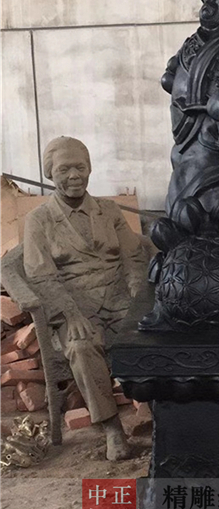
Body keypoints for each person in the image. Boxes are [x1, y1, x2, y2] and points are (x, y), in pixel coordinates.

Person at [23, 137, 148, 460]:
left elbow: (134, 257)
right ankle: (112, 428)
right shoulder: (39, 220)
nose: (74, 175)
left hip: (120, 299)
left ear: (90, 169)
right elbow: (40, 275)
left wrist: (137, 297)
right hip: (76, 306)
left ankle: (158, 415)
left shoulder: (108, 210)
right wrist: (70, 314)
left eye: (80, 167)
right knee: (81, 346)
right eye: (64, 169)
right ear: (50, 174)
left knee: (153, 337)